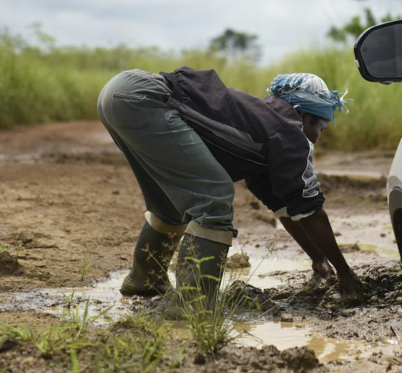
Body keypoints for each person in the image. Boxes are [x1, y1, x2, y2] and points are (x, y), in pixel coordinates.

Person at [97, 68, 362, 311]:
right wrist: (344, 272)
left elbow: (288, 208)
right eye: (320, 127)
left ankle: (144, 282)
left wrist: (317, 257)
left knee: (169, 206)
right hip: (145, 99)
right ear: (304, 115)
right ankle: (194, 307)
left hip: (120, 94)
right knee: (214, 197)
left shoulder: (264, 128)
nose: (318, 136)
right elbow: (312, 211)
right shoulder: (290, 134)